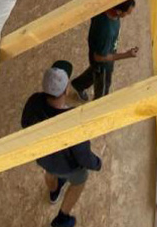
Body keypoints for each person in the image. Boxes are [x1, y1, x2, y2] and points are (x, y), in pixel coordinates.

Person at [21, 60, 102, 227]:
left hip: (43, 157)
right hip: (67, 166)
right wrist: (96, 163)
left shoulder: (34, 101)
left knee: (49, 171)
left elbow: (24, 123)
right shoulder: (72, 120)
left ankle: (53, 192)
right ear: (66, 90)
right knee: (80, 180)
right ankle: (62, 218)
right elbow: (83, 156)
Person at [71, 0, 137, 100]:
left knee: (95, 71)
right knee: (102, 92)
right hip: (103, 63)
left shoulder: (105, 9)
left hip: (101, 52)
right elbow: (99, 57)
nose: (127, 16)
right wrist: (127, 54)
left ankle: (79, 85)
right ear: (118, 11)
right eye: (127, 13)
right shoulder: (107, 32)